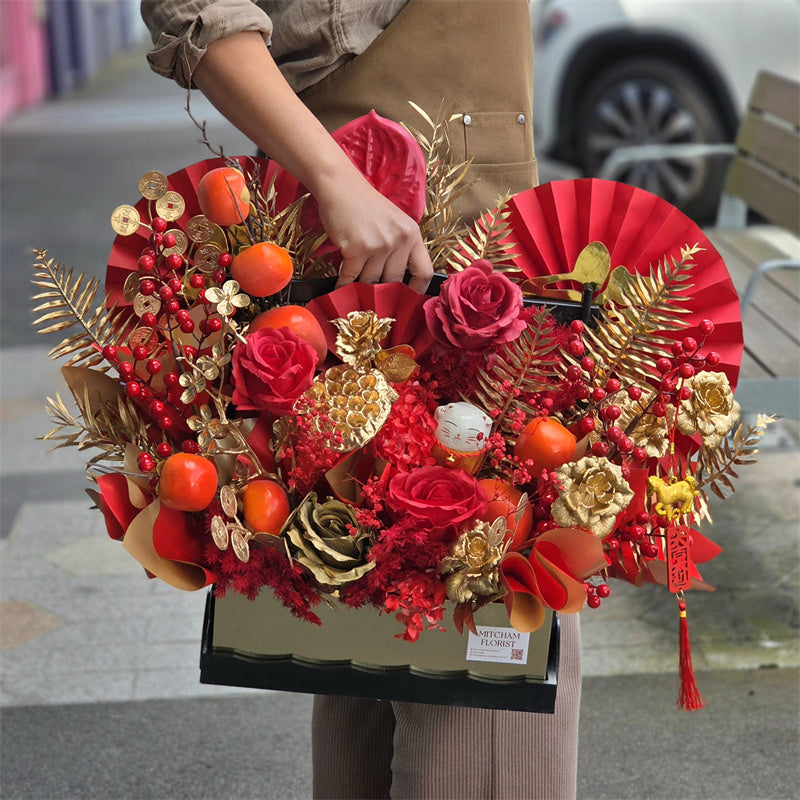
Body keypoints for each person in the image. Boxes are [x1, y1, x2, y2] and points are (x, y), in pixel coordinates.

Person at [141, 2, 580, 798]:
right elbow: (195, 10)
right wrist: (336, 176)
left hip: (453, 258)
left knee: (377, 652)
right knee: (478, 688)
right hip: (386, 254)